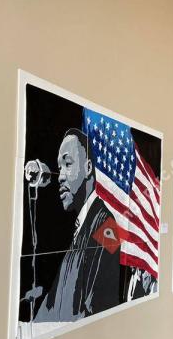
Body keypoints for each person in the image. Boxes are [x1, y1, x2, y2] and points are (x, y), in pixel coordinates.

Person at [28, 128, 123, 322]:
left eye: (67, 164)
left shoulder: (106, 226)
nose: (60, 176)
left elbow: (97, 310)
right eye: (59, 167)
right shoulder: (80, 231)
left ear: (88, 168)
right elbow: (51, 306)